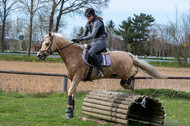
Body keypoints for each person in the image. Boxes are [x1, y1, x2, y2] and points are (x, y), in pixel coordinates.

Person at [72, 8, 107, 78]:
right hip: (94, 42)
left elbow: (92, 35)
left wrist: (81, 39)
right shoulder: (87, 24)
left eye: (89, 16)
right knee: (84, 50)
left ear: (93, 15)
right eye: (86, 16)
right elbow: (83, 35)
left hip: (101, 41)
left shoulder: (97, 22)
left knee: (91, 52)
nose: (87, 18)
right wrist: (77, 39)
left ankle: (100, 70)